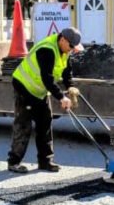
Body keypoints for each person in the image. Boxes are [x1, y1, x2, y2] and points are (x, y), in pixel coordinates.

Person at [7, 27, 82, 173]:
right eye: (71, 46)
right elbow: (47, 79)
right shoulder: (47, 50)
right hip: (24, 87)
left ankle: (45, 161)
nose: (72, 50)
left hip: (39, 90)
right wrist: (61, 97)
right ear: (63, 40)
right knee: (23, 125)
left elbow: (67, 71)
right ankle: (13, 162)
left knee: (45, 122)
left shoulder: (64, 50)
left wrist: (70, 86)